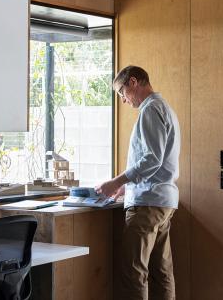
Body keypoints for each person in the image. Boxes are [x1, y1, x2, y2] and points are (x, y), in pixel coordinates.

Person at [95, 65, 180, 300]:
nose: (123, 100)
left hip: (147, 204)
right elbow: (156, 161)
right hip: (163, 201)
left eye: (122, 92)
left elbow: (152, 159)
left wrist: (115, 182)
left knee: (134, 272)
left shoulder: (150, 110)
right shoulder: (164, 108)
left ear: (133, 82)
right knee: (162, 271)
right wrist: (125, 186)